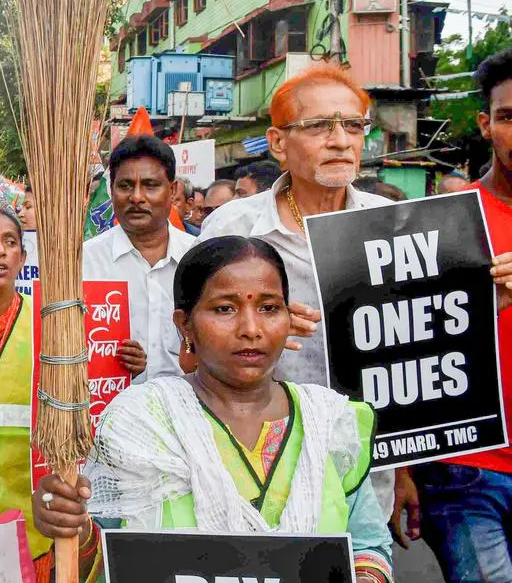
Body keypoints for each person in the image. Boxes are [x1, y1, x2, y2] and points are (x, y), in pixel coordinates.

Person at [33, 236, 394, 583]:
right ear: (184, 324)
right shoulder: (142, 424)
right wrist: (70, 525)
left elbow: (367, 547)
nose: (251, 328)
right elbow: (105, 559)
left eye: (269, 308)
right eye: (225, 309)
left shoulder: (329, 424)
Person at [0, 209, 142, 581]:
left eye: (10, 242)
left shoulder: (56, 325)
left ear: (23, 257)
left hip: (35, 527)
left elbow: (93, 407)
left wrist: (121, 364)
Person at [395, 48, 512, 580]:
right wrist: (400, 470)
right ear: (486, 125)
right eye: (509, 117)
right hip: (466, 467)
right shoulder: (441, 222)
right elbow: (400, 348)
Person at [199, 65, 389, 386]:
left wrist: (477, 294)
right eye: (318, 126)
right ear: (277, 144)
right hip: (267, 423)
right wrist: (261, 324)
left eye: (354, 126)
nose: (341, 142)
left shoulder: (392, 223)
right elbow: (190, 339)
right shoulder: (233, 227)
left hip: (375, 422)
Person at [83, 136, 196, 381]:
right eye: (125, 186)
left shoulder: (200, 259)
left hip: (191, 410)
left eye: (150, 185)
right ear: (111, 190)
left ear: (173, 189)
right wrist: (113, 363)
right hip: (111, 412)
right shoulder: (85, 263)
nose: (136, 197)